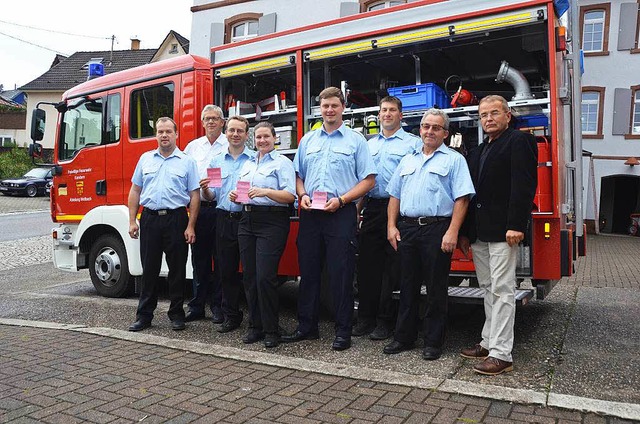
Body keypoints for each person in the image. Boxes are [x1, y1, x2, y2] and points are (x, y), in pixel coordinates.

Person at [283, 86, 376, 351]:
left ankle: (343, 330)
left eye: (334, 105)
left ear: (343, 107)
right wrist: (301, 195)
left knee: (341, 274)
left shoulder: (356, 141)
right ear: (319, 109)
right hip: (311, 214)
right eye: (325, 106)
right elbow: (298, 175)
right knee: (308, 273)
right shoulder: (308, 140)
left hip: (341, 213)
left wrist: (344, 200)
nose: (329, 110)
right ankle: (306, 327)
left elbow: (369, 180)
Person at [384, 108, 475, 360]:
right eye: (426, 126)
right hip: (408, 228)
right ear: (420, 130)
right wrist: (391, 226)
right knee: (407, 285)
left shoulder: (454, 160)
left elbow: (462, 198)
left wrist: (452, 232)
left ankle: (433, 342)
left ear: (445, 133)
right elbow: (394, 195)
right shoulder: (408, 159)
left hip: (438, 228)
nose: (429, 131)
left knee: (436, 289)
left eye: (436, 128)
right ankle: (404, 337)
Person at [459, 95, 537, 375]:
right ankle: (488, 341)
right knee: (488, 289)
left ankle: (502, 354)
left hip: (505, 231)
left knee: (504, 291)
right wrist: (467, 233)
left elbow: (524, 185)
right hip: (480, 232)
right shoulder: (478, 151)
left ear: (507, 115)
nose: (488, 119)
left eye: (494, 113)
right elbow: (470, 195)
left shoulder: (519, 142)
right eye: (483, 115)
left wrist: (517, 224)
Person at [353, 96, 421, 341]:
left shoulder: (412, 144)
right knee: (367, 267)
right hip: (372, 208)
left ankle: (384, 321)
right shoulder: (369, 145)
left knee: (392, 270)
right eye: (384, 110)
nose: (388, 114)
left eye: (392, 110)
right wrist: (357, 210)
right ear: (379, 115)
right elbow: (364, 181)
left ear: (401, 115)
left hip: (399, 211)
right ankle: (365, 319)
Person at [127, 117, 200, 332]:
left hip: (176, 219)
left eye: (168, 131)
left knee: (177, 270)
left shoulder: (187, 162)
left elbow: (194, 195)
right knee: (149, 270)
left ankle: (177, 314)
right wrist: (132, 220)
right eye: (160, 132)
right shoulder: (145, 159)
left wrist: (191, 226)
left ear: (176, 134)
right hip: (149, 219)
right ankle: (144, 316)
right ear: (156, 135)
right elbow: (135, 191)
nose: (164, 135)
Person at [231, 122, 296, 348]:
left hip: (272, 221)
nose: (262, 141)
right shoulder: (248, 163)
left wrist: (265, 191)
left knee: (265, 277)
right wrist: (236, 196)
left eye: (266, 137)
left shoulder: (283, 163)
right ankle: (255, 327)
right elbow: (243, 192)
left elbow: (290, 196)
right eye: (258, 137)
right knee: (249, 276)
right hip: (247, 219)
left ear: (274, 138)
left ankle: (271, 329)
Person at [201, 115, 255, 333]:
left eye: (239, 131)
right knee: (226, 271)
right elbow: (213, 194)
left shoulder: (254, 159)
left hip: (247, 219)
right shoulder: (216, 162)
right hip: (223, 218)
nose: (234, 134)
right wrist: (204, 189)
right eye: (231, 130)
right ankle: (231, 316)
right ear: (226, 133)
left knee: (251, 272)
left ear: (246, 134)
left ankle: (256, 319)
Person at [184, 105, 229, 324]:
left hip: (220, 209)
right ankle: (196, 306)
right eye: (207, 118)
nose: (211, 122)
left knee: (220, 260)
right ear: (202, 122)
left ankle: (219, 307)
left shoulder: (230, 145)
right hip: (198, 211)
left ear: (223, 122)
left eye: (215, 118)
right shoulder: (192, 147)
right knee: (199, 260)